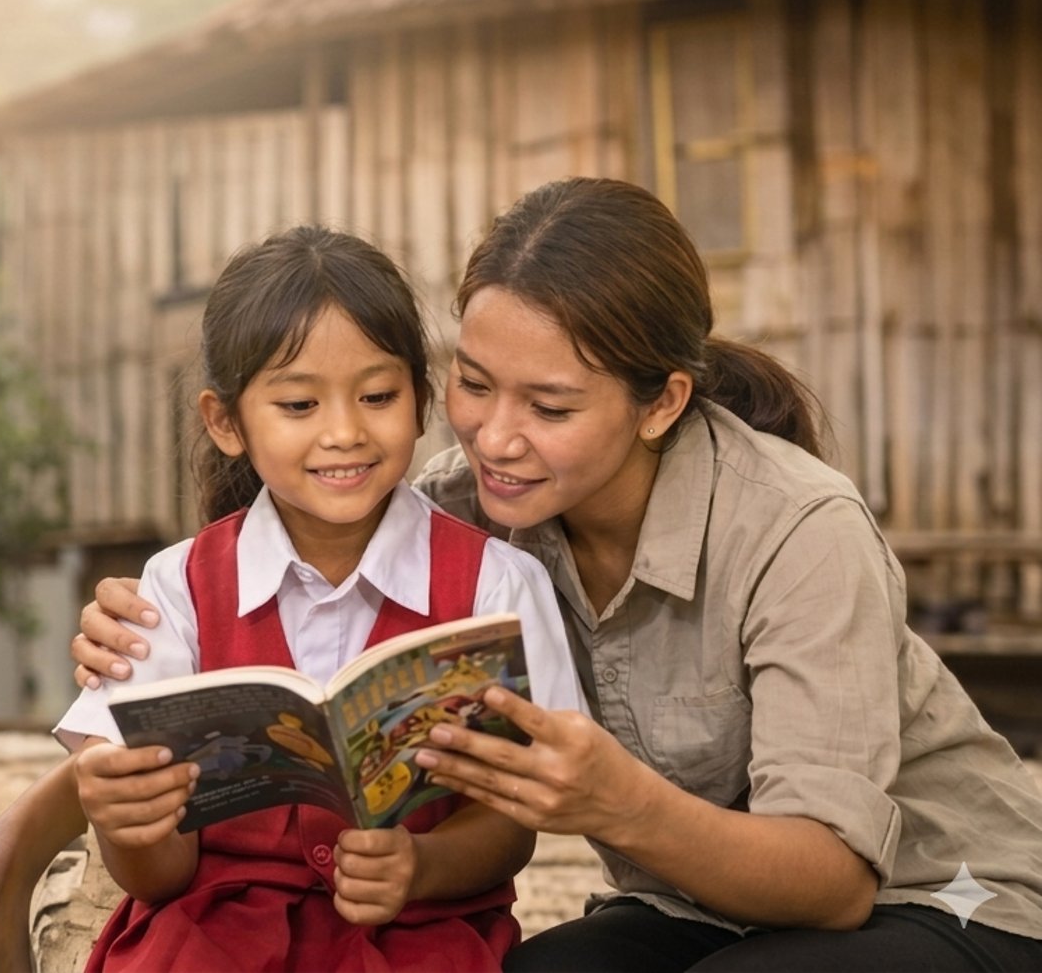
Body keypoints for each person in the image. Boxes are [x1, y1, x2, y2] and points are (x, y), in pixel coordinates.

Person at [71, 178, 1042, 971]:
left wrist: (617, 801)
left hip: (938, 893)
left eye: (551, 404)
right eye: (476, 383)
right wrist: (132, 629)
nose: (496, 438)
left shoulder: (799, 528)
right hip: (695, 906)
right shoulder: (462, 508)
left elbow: (834, 884)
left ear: (661, 402)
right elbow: (285, 548)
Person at [53, 225, 585, 972]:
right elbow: (159, 876)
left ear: (421, 399)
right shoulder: (175, 591)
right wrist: (129, 830)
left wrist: (422, 866)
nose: (344, 432)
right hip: (210, 939)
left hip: (418, 936)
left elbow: (510, 821)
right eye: (299, 405)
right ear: (226, 422)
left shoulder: (495, 584)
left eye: (377, 396)